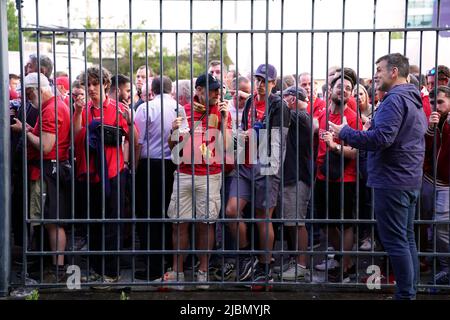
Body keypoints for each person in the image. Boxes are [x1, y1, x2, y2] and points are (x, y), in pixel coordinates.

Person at [328, 53, 428, 299]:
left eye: (380, 70)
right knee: (406, 240)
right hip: (407, 179)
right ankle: (409, 291)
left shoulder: (394, 100)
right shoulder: (412, 99)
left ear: (394, 72)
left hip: (392, 181)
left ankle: (405, 295)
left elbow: (382, 139)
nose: (376, 75)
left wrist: (346, 132)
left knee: (396, 242)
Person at [225, 63, 291, 289]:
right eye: (258, 80)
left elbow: (278, 139)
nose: (261, 85)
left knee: (264, 217)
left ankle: (265, 268)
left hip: (267, 165)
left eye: (265, 81)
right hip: (246, 163)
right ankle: (246, 258)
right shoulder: (252, 101)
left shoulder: (279, 105)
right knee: (232, 211)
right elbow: (247, 127)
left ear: (274, 83)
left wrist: (252, 134)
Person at [165, 73, 232, 290]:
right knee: (179, 223)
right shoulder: (184, 110)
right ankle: (177, 272)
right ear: (199, 90)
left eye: (218, 90)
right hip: (184, 172)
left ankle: (203, 271)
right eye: (212, 90)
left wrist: (223, 120)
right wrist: (173, 132)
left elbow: (229, 148)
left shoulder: (222, 112)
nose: (216, 94)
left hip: (210, 174)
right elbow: (172, 147)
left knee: (206, 223)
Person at [73, 66, 136, 286]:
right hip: (89, 174)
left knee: (112, 223)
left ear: (106, 85)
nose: (91, 89)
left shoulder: (118, 109)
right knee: (93, 223)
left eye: (95, 84)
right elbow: (75, 137)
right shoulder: (84, 109)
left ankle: (111, 271)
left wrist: (126, 162)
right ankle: (96, 269)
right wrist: (78, 112)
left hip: (113, 172)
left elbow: (132, 139)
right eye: (87, 84)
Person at [11, 72, 71, 282]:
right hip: (47, 170)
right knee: (48, 220)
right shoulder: (52, 107)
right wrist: (28, 129)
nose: (28, 99)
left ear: (36, 90)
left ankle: (56, 270)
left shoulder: (51, 110)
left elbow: (46, 146)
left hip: (47, 171)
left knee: (51, 220)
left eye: (28, 94)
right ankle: (52, 267)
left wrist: (23, 131)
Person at [313, 68, 361, 282]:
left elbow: (357, 151)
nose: (344, 90)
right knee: (327, 221)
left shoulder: (352, 117)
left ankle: (346, 266)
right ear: (330, 89)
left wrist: (334, 147)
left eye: (349, 88)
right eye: (340, 86)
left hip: (345, 179)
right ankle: (342, 258)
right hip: (323, 176)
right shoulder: (322, 113)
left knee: (345, 223)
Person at [133, 76, 183, 280]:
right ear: (171, 89)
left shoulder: (145, 108)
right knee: (168, 213)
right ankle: (170, 264)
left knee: (148, 215)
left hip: (148, 165)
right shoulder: (179, 108)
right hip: (171, 164)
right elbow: (181, 138)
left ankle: (153, 266)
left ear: (151, 90)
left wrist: (134, 168)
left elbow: (138, 141)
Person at [277, 86, 312, 281]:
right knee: (291, 221)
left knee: (297, 222)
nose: (282, 101)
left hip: (297, 177)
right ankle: (296, 261)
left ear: (292, 99)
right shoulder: (295, 116)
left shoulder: (302, 116)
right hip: (290, 175)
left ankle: (301, 264)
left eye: (285, 97)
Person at [422, 86, 450, 285]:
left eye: (440, 102)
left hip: (446, 184)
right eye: (433, 102)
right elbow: (426, 149)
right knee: (426, 223)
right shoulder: (433, 120)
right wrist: (431, 129)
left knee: (441, 226)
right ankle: (437, 261)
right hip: (429, 179)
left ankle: (446, 267)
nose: (436, 106)